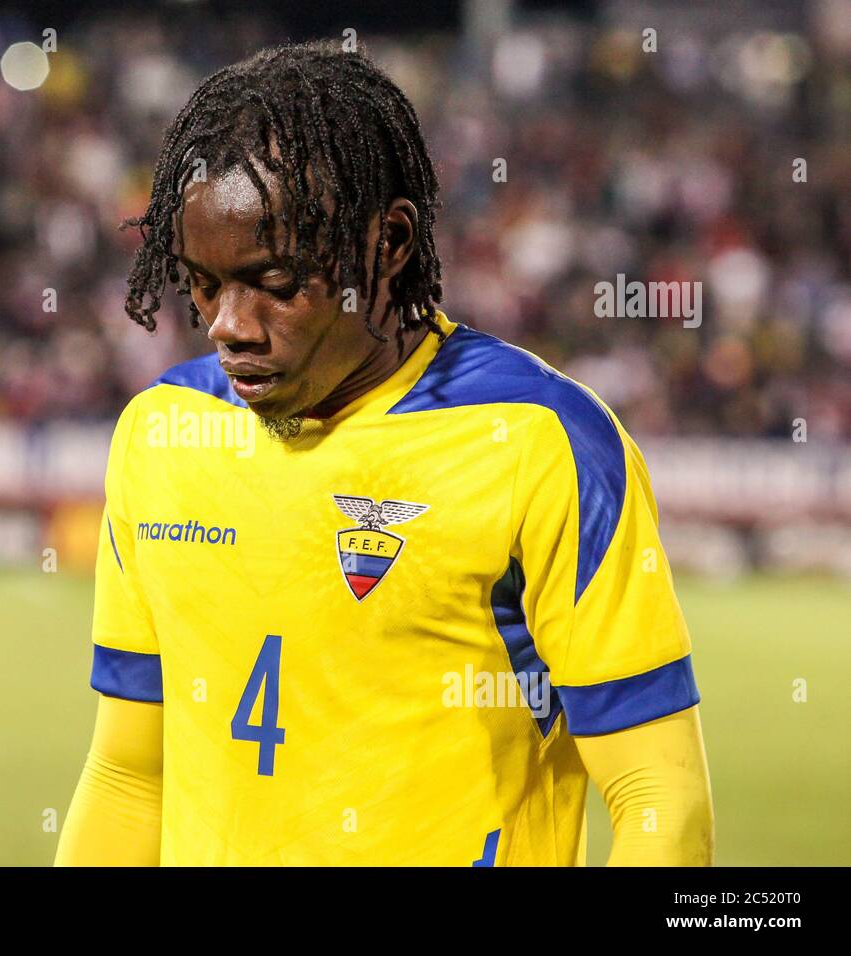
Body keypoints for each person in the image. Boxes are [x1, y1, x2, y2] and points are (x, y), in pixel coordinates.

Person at [56, 40, 713, 865]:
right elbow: (129, 775)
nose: (229, 324)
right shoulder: (159, 435)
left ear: (390, 242)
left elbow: (660, 797)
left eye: (277, 281)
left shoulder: (540, 441)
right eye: (203, 283)